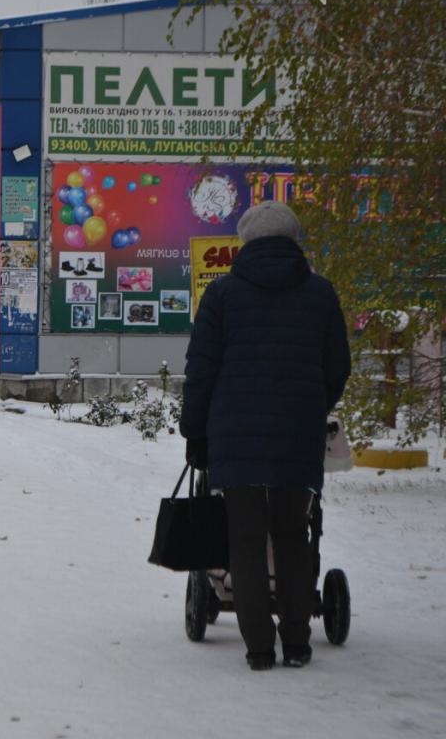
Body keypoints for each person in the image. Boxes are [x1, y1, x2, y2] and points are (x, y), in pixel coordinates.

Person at [180, 200, 351, 672]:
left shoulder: (222, 295)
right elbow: (338, 366)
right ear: (294, 240)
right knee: (294, 536)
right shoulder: (320, 294)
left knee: (246, 539)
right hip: (297, 436)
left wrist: (194, 429)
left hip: (235, 439)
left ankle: (258, 648)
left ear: (246, 242)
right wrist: (313, 402)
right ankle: (297, 642)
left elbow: (202, 370)